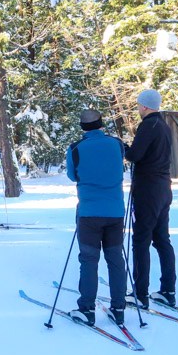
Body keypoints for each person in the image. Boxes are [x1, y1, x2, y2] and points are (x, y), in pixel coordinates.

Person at [65, 109, 127, 327]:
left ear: (82, 127)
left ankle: (87, 309)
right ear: (101, 123)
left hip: (89, 213)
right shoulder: (116, 144)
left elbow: (73, 176)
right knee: (115, 259)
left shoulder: (75, 149)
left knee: (89, 261)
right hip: (115, 212)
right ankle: (119, 308)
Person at [124, 88, 176, 309]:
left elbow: (135, 155)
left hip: (148, 189)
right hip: (163, 187)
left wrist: (123, 147)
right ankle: (168, 290)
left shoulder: (148, 125)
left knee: (141, 240)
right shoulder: (163, 126)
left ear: (144, 106)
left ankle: (141, 292)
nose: (137, 109)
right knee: (162, 239)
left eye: (138, 105)